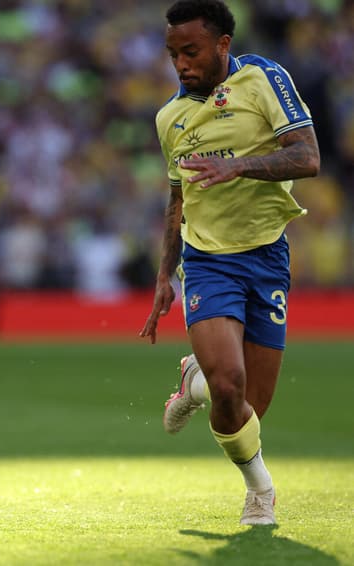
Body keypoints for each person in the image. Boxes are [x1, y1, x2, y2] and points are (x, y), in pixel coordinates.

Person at [139, 0, 320, 526]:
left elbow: (307, 157)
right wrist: (164, 275)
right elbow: (177, 200)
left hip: (267, 255)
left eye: (191, 52)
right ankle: (260, 491)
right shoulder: (170, 119)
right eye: (173, 54)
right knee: (229, 386)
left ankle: (194, 380)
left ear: (222, 44)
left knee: (245, 410)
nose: (181, 64)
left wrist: (239, 167)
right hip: (209, 260)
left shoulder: (263, 79)